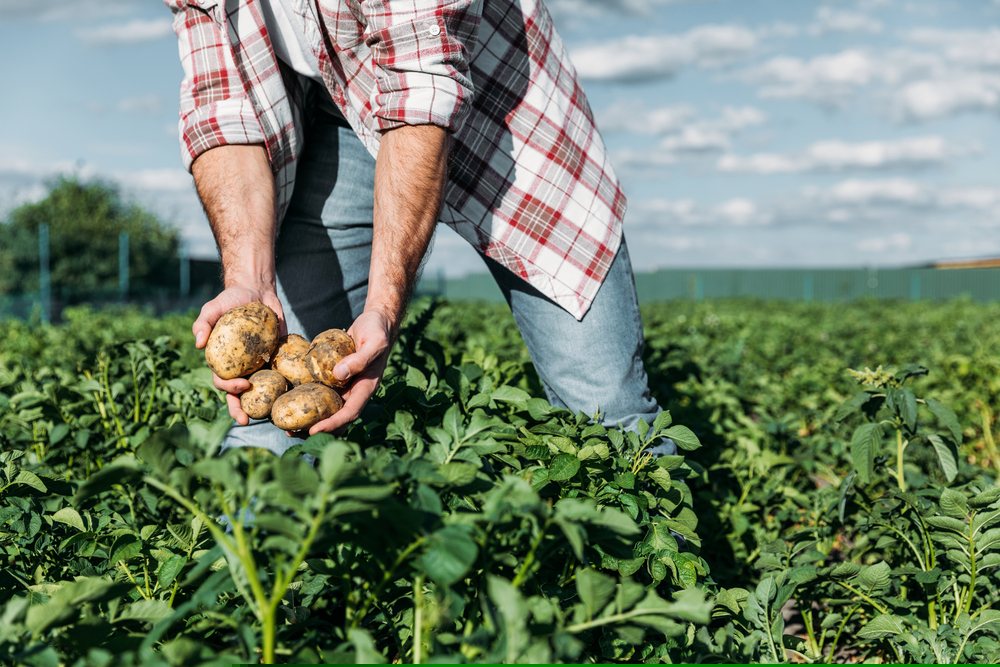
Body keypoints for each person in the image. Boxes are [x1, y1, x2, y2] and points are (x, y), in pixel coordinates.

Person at [165, 0, 675, 459]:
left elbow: (420, 85)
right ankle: (263, 558)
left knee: (609, 416)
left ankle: (655, 549)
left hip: (504, 112)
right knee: (266, 420)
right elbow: (221, 108)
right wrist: (249, 282)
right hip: (330, 110)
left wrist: (384, 309)